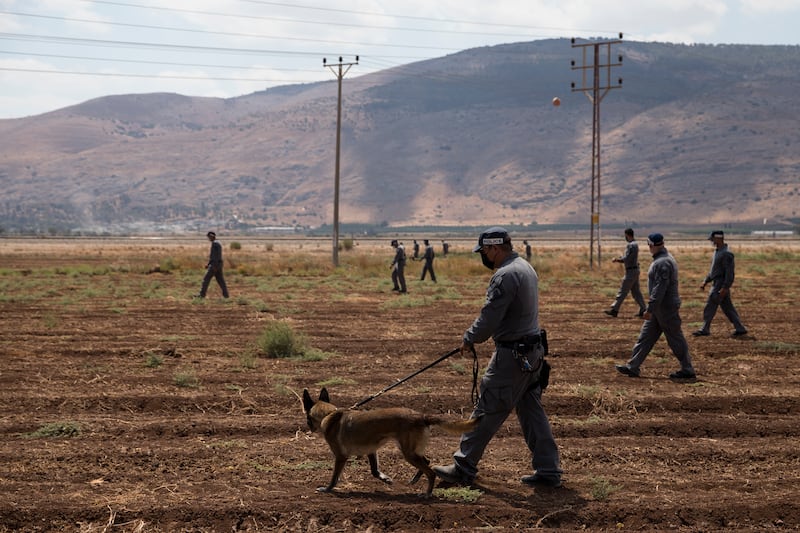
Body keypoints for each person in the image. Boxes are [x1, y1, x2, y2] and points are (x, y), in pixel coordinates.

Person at [433, 227, 562, 488]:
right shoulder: (525, 266)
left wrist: (469, 338)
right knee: (532, 411)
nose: (484, 256)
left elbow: (490, 317)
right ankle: (548, 469)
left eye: (484, 251)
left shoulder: (504, 275)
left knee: (488, 408)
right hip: (532, 354)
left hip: (512, 357)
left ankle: (463, 466)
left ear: (494, 248)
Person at [615, 233, 696, 380]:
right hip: (659, 308)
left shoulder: (662, 262)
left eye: (649, 245)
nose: (649, 248)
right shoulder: (663, 259)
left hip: (665, 308)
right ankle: (633, 366)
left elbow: (660, 288)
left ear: (652, 245)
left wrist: (650, 308)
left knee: (675, 338)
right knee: (645, 337)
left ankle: (687, 369)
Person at [693, 230, 747, 337]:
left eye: (713, 239)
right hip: (717, 282)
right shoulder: (718, 251)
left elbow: (729, 273)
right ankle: (740, 328)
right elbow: (714, 270)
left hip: (720, 284)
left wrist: (725, 287)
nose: (712, 241)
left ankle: (705, 328)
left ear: (718, 239)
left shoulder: (727, 253)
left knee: (710, 305)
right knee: (728, 308)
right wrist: (706, 281)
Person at [605, 228, 647, 318]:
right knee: (636, 292)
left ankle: (614, 310)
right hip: (634, 270)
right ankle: (644, 309)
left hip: (631, 272)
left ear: (627, 235)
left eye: (625, 235)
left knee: (623, 291)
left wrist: (617, 259)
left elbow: (627, 258)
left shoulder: (631, 245)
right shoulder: (635, 244)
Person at [197, 231, 229, 299]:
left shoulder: (214, 244)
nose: (208, 238)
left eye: (209, 237)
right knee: (221, 280)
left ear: (212, 236)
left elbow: (214, 257)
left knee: (206, 279)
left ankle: (202, 295)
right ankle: (226, 295)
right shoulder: (218, 242)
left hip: (215, 265)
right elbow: (216, 256)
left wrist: (213, 265)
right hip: (219, 264)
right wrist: (209, 264)